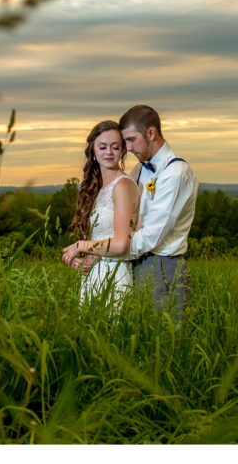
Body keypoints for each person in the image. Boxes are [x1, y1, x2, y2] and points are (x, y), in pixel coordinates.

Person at [65, 105, 197, 321]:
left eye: (130, 140)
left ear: (151, 133)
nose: (126, 147)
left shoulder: (175, 173)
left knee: (164, 338)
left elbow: (152, 236)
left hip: (162, 264)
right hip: (134, 263)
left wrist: (102, 251)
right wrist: (102, 253)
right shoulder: (138, 170)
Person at [61, 120, 140, 307]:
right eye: (102, 147)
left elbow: (121, 245)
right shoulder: (96, 188)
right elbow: (99, 237)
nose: (109, 153)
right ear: (93, 152)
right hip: (93, 275)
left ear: (122, 151)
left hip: (114, 275)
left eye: (115, 147)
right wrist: (78, 261)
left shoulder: (122, 186)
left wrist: (80, 246)